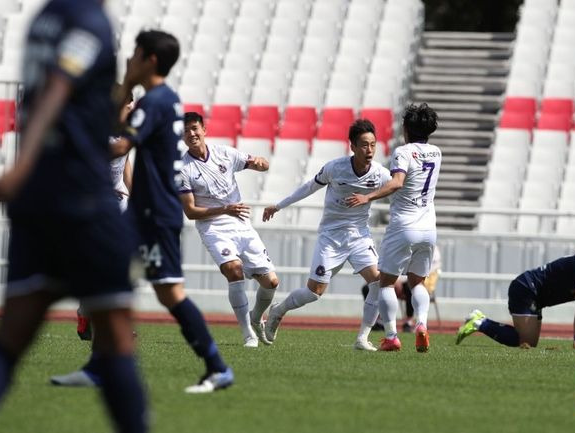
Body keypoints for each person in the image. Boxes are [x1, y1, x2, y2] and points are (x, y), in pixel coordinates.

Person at [51, 29, 232, 394]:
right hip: (144, 211)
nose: (130, 60)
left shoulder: (156, 102)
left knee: (170, 294)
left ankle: (217, 367)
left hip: (156, 214)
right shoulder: (161, 101)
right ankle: (100, 366)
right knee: (108, 279)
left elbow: (120, 147)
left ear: (149, 60)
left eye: (135, 55)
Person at [0, 1, 147, 431]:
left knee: (11, 338)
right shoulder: (90, 23)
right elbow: (59, 86)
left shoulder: (43, 19)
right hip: (81, 201)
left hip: (36, 203)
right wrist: (22, 164)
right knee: (116, 336)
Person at [263, 119, 392, 351]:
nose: (370, 150)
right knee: (315, 292)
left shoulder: (380, 174)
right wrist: (279, 205)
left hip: (359, 236)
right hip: (331, 237)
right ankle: (278, 310)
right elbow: (309, 187)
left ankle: (363, 338)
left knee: (378, 281)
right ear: (352, 146)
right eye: (364, 145)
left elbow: (395, 187)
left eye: (373, 145)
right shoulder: (335, 168)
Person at [346, 103, 441, 353]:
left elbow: (397, 183)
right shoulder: (436, 152)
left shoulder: (403, 152)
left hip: (404, 225)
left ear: (406, 128)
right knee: (417, 283)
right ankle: (421, 324)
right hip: (428, 227)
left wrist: (369, 197)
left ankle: (391, 336)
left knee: (386, 283)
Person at [178, 111, 279, 348]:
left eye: (195, 128)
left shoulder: (225, 153)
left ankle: (256, 317)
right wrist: (224, 209)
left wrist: (261, 164)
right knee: (234, 270)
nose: (191, 134)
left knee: (271, 282)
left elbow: (257, 163)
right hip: (213, 227)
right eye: (186, 131)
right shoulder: (182, 169)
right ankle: (247, 334)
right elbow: (191, 212)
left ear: (204, 129)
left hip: (241, 223)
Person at [456, 241, 575, 349]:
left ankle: (480, 320)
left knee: (530, 343)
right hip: (526, 288)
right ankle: (479, 323)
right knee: (523, 341)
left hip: (535, 294)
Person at [76, 90, 134, 341]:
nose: (131, 109)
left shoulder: (126, 130)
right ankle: (87, 311)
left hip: (119, 203)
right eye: (127, 104)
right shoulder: (96, 126)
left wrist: (136, 194)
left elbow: (125, 163)